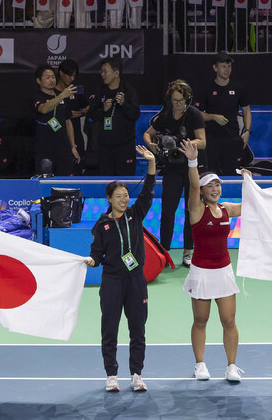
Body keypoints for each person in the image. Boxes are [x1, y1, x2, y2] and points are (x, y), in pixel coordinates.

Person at [84, 146, 157, 393]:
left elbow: (147, 193)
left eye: (126, 195)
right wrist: (93, 260)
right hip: (113, 281)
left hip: (136, 280)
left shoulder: (135, 214)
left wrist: (151, 164)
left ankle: (136, 374)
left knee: (138, 329)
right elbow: (97, 251)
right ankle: (111, 375)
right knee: (110, 329)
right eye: (119, 196)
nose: (124, 199)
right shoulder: (102, 224)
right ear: (109, 199)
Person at [180, 140, 244, 382]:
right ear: (203, 191)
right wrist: (193, 161)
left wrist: (251, 185)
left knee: (229, 320)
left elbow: (252, 206)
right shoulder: (196, 209)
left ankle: (231, 367)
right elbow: (193, 185)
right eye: (210, 186)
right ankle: (200, 364)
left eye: (218, 184)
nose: (215, 189)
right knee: (200, 320)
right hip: (202, 271)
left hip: (223, 270)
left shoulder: (227, 208)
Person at [145, 79, 206, 266]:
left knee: (191, 208)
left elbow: (202, 141)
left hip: (191, 167)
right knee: (168, 209)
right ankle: (164, 251)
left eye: (180, 100)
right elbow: (147, 133)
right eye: (174, 100)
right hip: (172, 168)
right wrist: (152, 145)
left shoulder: (194, 114)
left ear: (187, 99)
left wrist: (184, 144)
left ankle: (188, 251)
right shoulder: (165, 115)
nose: (177, 103)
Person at [198, 52, 251, 177]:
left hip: (232, 138)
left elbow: (246, 110)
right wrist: (212, 116)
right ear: (215, 68)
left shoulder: (239, 88)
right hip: (212, 139)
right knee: (211, 174)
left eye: (229, 66)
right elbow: (197, 113)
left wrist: (247, 131)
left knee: (232, 172)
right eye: (223, 66)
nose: (227, 70)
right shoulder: (207, 88)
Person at [91, 56, 140, 176]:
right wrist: (103, 110)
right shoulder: (100, 91)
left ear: (116, 73)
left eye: (105, 71)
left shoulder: (128, 90)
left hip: (125, 147)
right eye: (101, 71)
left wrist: (124, 104)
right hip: (105, 148)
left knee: (124, 183)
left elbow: (135, 114)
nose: (102, 74)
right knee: (106, 183)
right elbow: (91, 116)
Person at [33, 64, 80, 176]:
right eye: (47, 78)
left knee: (64, 182)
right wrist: (61, 96)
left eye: (53, 77)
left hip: (63, 148)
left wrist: (73, 146)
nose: (51, 80)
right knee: (45, 181)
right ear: (39, 81)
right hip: (44, 150)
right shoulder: (36, 96)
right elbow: (44, 109)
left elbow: (68, 122)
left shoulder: (61, 96)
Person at [54, 59, 89, 162]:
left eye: (74, 76)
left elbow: (88, 106)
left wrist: (83, 112)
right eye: (70, 75)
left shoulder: (75, 90)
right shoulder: (53, 93)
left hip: (77, 135)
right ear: (61, 73)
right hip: (59, 136)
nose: (72, 78)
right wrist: (67, 115)